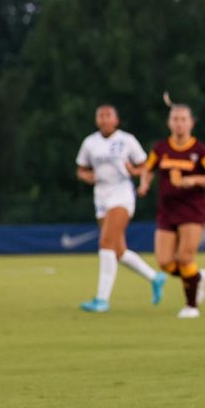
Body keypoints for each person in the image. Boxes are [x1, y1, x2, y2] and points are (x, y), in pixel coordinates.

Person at [137, 104, 205, 318]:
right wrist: (144, 184)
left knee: (185, 258)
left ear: (191, 123)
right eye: (175, 119)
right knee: (165, 262)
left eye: (183, 119)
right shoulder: (160, 149)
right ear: (169, 122)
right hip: (167, 212)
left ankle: (191, 306)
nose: (179, 123)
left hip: (192, 212)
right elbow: (147, 169)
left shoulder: (200, 151)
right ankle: (196, 278)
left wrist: (194, 180)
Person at [75, 104, 167, 312]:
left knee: (105, 243)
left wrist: (141, 180)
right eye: (100, 115)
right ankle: (155, 278)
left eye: (108, 115)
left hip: (122, 194)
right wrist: (87, 176)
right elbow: (81, 170)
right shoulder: (90, 142)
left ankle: (101, 299)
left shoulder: (127, 140)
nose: (104, 119)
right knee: (117, 251)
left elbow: (146, 166)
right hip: (101, 196)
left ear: (116, 120)